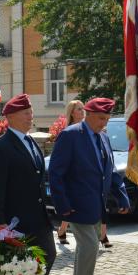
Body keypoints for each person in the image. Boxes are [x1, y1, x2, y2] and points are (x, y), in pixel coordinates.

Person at [49, 98, 129, 275]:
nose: (104, 123)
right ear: (88, 114)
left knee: (86, 252)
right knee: (90, 249)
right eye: (101, 118)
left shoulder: (102, 136)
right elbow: (56, 173)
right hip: (76, 207)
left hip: (97, 206)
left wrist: (122, 196)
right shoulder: (71, 135)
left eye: (107, 119)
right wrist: (62, 205)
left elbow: (109, 170)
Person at [0, 93, 56, 275]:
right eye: (26, 113)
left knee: (48, 255)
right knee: (5, 264)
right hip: (13, 220)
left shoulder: (30, 142)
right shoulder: (0, 147)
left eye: (31, 112)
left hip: (37, 216)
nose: (31, 116)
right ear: (12, 117)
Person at [56, 99, 85, 245]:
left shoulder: (87, 129)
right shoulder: (68, 132)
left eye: (83, 108)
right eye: (79, 109)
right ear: (72, 113)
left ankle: (62, 230)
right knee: (70, 206)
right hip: (71, 174)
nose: (83, 111)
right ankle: (63, 230)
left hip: (82, 175)